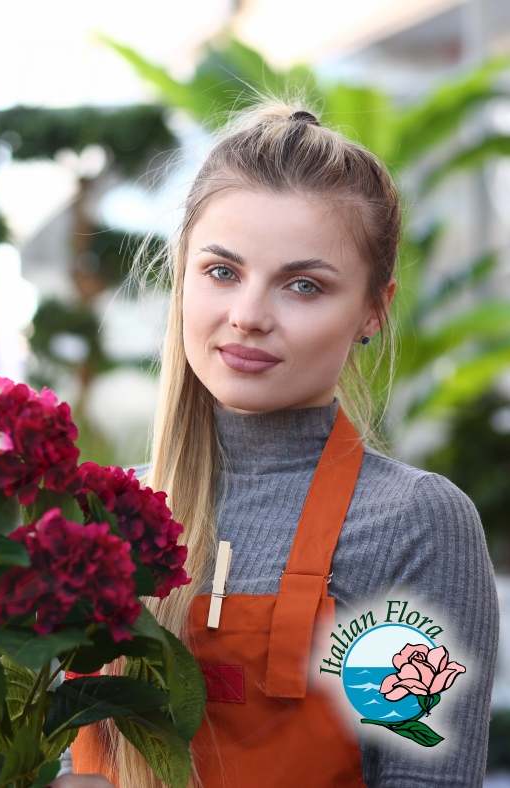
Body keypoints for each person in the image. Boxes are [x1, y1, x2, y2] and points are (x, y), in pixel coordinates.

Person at [50, 102, 499, 787]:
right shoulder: (100, 522)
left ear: (373, 310)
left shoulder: (414, 525)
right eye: (222, 272)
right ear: (181, 277)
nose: (249, 316)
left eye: (303, 285)